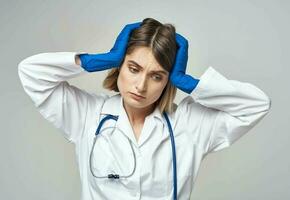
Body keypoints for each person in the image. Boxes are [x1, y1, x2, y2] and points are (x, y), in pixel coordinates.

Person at [18, 18, 271, 200]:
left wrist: (190, 84)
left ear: (169, 80)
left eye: (157, 76)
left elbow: (257, 105)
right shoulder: (87, 114)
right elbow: (31, 73)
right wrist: (99, 60)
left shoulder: (189, 124)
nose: (141, 86)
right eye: (133, 68)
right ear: (119, 65)